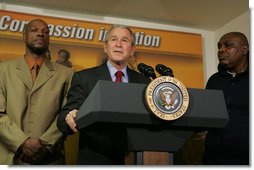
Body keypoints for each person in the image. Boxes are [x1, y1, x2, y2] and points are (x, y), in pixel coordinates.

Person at [57, 24, 151, 165]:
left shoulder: (144, 82)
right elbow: (64, 119)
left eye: (125, 41)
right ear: (105, 47)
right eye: (113, 39)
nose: (118, 44)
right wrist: (70, 116)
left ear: (132, 50)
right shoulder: (84, 78)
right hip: (95, 160)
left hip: (134, 159)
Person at [0, 19, 73, 164]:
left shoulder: (67, 74)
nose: (40, 34)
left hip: (49, 158)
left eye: (45, 32)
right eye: (34, 30)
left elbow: (67, 115)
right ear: (24, 36)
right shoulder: (3, 70)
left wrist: (45, 144)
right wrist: (22, 142)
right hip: (10, 157)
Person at [203, 32, 249, 165]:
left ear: (244, 49)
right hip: (214, 157)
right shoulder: (214, 80)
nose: (221, 50)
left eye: (228, 45)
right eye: (219, 47)